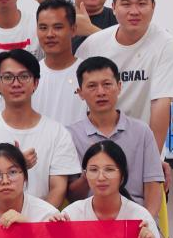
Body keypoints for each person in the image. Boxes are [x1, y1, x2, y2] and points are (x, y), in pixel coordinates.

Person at [76, 0, 173, 150]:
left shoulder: (166, 45)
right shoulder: (93, 45)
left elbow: (161, 103)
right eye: (126, 4)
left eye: (142, 3)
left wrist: (151, 157)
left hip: (144, 146)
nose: (134, 11)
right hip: (98, 150)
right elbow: (78, 99)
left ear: (153, 6)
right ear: (113, 7)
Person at [0, 49, 79, 207]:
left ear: (36, 83)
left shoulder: (58, 132)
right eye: (8, 77)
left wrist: (36, 219)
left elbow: (58, 189)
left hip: (41, 218)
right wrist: (17, 164)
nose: (16, 83)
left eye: (24, 76)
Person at [66, 57, 165, 211]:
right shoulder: (70, 135)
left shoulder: (142, 131)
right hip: (89, 218)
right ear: (80, 93)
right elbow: (71, 196)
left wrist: (148, 221)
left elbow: (153, 185)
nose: (100, 92)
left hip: (135, 217)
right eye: (92, 86)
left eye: (107, 84)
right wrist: (90, 171)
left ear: (119, 87)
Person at [0, 143, 60, 227]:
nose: (5, 181)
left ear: (25, 176)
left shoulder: (47, 214)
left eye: (12, 172)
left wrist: (28, 228)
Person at [34, 0, 85, 126]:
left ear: (73, 29)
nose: (50, 34)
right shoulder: (29, 77)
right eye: (43, 28)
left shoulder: (88, 75)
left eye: (57, 27)